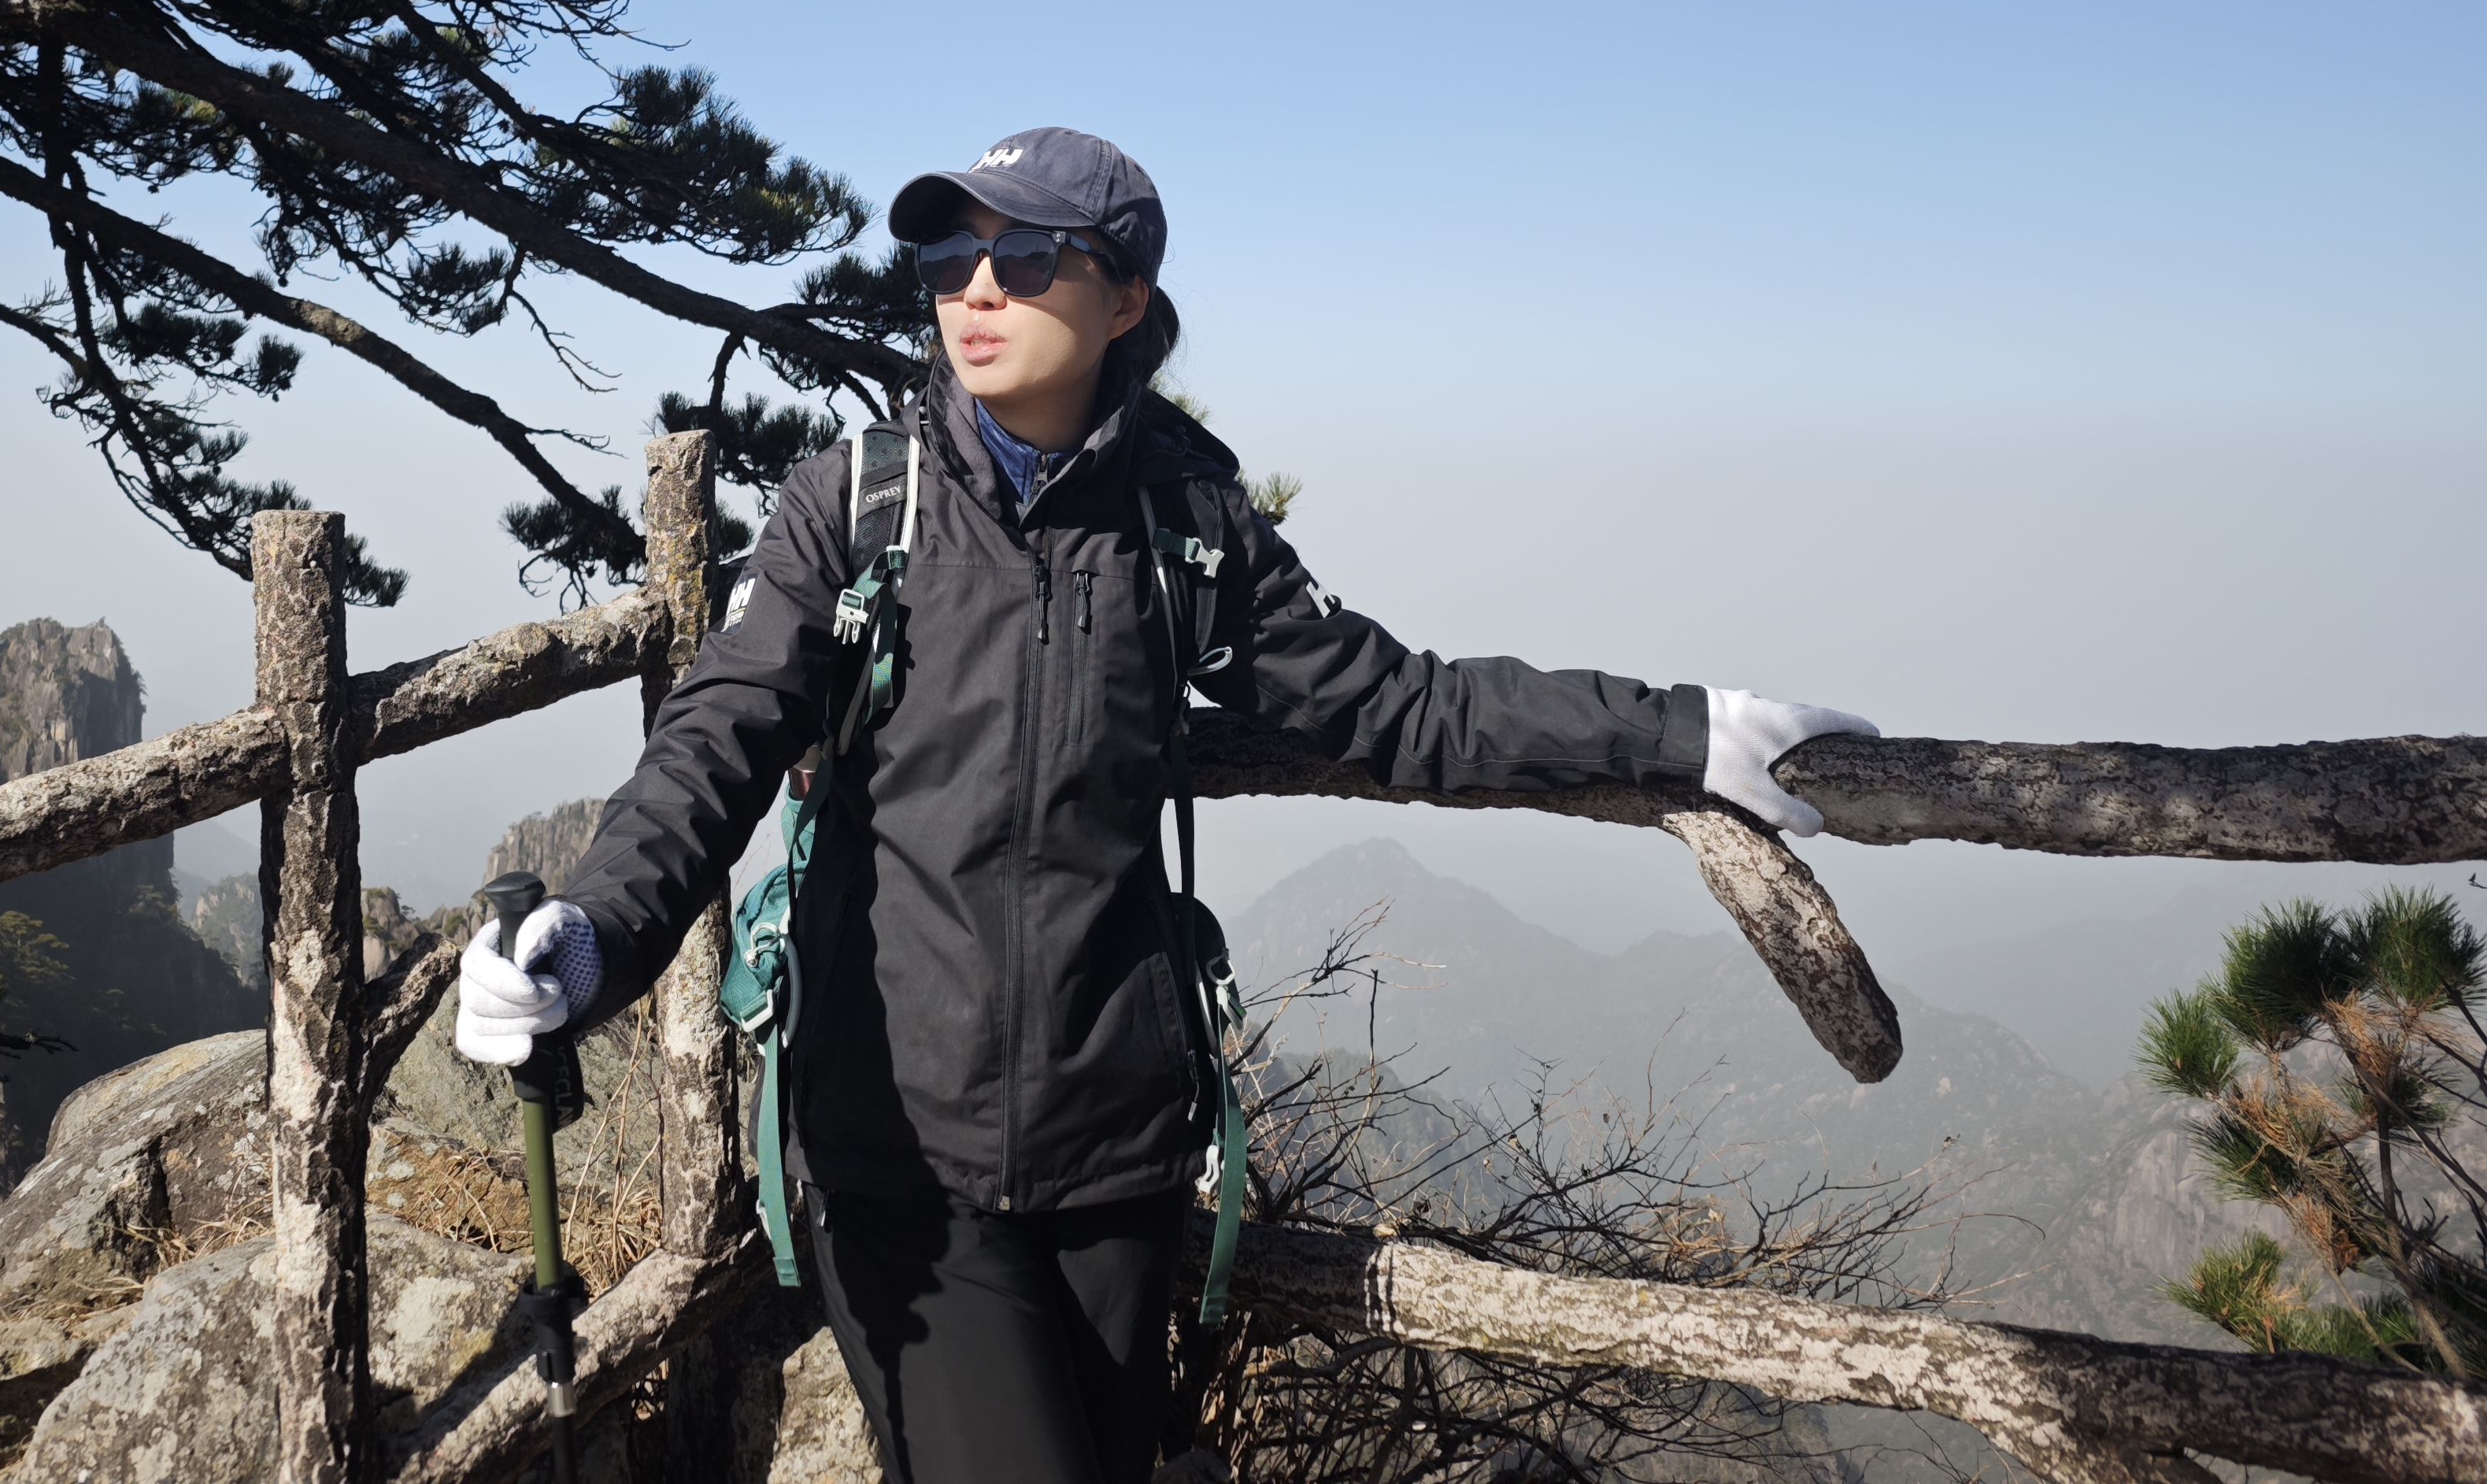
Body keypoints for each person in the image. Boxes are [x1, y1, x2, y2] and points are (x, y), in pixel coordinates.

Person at [455, 128, 1872, 1484]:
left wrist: (1679, 732)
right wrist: (591, 936)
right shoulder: (861, 508)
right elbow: (713, 742)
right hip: (901, 1156)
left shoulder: (1185, 525)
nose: (974, 290)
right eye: (948, 259)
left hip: (1118, 1156)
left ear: (1126, 297)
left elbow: (1401, 706)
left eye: (1025, 258)